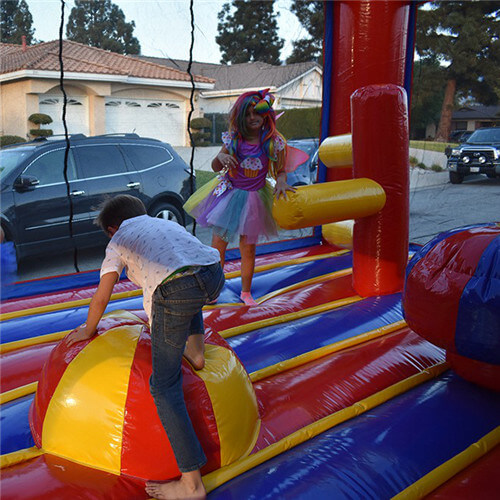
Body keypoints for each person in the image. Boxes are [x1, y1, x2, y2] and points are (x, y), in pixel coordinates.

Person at [66, 194, 224, 500]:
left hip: (176, 289)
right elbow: (187, 265)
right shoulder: (160, 223)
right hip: (213, 272)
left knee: (163, 387)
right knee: (189, 287)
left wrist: (88, 329)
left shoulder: (118, 241)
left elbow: (103, 293)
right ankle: (195, 352)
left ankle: (191, 485)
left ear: (113, 229)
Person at [184, 89, 298, 306]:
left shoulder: (271, 142)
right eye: (247, 114)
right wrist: (222, 156)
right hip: (229, 197)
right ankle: (214, 289)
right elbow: (216, 165)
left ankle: (246, 292)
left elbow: (280, 169)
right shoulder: (234, 139)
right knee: (218, 247)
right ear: (240, 117)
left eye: (257, 113)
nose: (252, 118)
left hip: (255, 200)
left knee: (249, 248)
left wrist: (281, 181)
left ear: (266, 115)